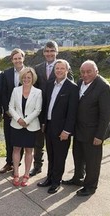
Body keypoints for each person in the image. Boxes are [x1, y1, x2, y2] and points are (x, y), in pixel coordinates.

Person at [62, 60, 110, 196]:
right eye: (83, 72)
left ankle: (90, 186)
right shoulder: (79, 83)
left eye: (88, 71)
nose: (85, 74)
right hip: (79, 129)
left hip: (93, 132)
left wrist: (99, 136)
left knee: (92, 161)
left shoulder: (103, 87)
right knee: (78, 156)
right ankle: (77, 178)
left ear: (96, 71)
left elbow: (106, 115)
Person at [30, 40, 74, 177]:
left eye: (52, 51)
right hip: (40, 110)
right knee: (38, 141)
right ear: (43, 53)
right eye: (47, 51)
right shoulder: (38, 68)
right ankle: (37, 166)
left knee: (54, 144)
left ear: (56, 52)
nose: (49, 54)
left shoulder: (63, 67)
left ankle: (54, 173)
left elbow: (70, 86)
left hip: (57, 112)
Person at [36, 59, 79, 194]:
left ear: (67, 70)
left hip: (62, 130)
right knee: (51, 155)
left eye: (62, 68)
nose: (59, 71)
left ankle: (56, 182)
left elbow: (72, 112)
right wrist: (43, 123)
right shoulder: (50, 84)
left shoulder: (72, 88)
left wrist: (67, 130)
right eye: (57, 69)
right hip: (49, 127)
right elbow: (46, 105)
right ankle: (49, 178)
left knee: (60, 157)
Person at [9, 67, 42, 187]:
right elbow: (11, 107)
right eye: (24, 77)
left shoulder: (38, 92)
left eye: (29, 77)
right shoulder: (15, 90)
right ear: (21, 78)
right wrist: (19, 119)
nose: (26, 79)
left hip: (31, 125)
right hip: (16, 125)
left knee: (29, 151)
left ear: (33, 79)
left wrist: (26, 120)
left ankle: (26, 175)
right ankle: (16, 174)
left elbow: (37, 109)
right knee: (16, 149)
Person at [0, 48, 26, 174]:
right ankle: (9, 163)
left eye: (19, 58)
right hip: (9, 113)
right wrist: (7, 110)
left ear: (23, 58)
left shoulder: (29, 73)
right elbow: (3, 94)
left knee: (20, 139)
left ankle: (17, 164)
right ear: (12, 60)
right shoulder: (7, 73)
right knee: (9, 138)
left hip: (23, 114)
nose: (17, 60)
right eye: (15, 58)